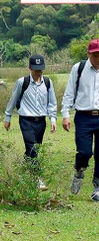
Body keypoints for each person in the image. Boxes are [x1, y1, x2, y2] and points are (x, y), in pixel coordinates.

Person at [4, 54, 57, 190]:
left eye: (41, 69)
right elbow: (13, 100)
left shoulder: (47, 82)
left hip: (41, 121)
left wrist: (53, 119)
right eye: (36, 69)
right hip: (26, 121)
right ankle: (37, 178)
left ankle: (24, 170)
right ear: (29, 68)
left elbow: (52, 103)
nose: (39, 72)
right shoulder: (22, 82)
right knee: (32, 148)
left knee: (35, 148)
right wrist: (7, 117)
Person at [62, 39, 99, 200]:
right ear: (88, 54)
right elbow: (69, 92)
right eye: (95, 55)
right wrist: (65, 114)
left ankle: (97, 187)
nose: (98, 58)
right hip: (83, 116)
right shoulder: (79, 68)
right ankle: (79, 170)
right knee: (85, 152)